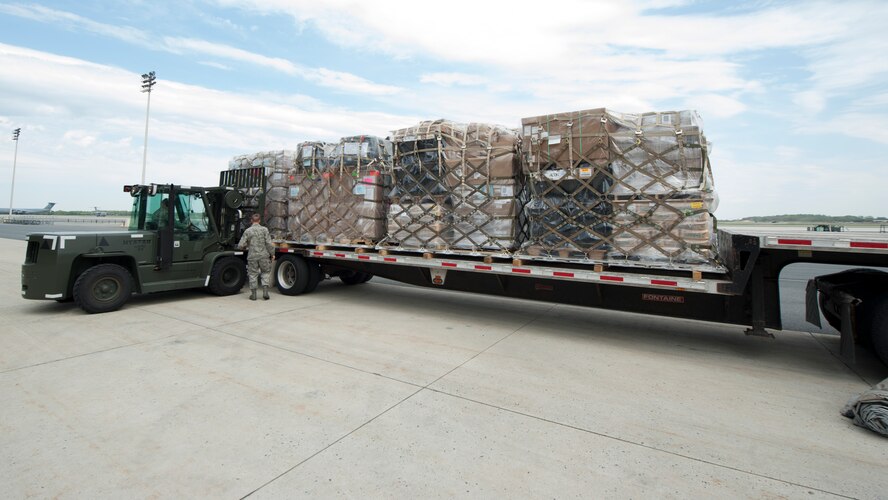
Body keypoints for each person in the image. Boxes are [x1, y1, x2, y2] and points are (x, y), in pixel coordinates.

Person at [237, 213, 275, 300]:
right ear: (259, 221)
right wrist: (272, 254)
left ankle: (253, 295)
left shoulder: (248, 231)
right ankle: (265, 292)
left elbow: (240, 245)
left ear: (251, 221)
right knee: (265, 272)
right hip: (264, 256)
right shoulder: (264, 230)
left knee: (253, 274)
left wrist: (246, 245)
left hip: (252, 256)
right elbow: (269, 244)